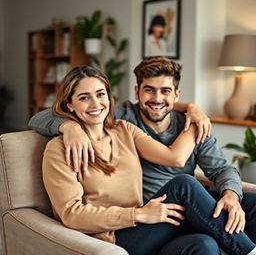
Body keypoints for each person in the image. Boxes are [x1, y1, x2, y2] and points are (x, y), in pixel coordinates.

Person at [29, 56, 256, 252]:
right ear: (137, 92)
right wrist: (69, 127)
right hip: (131, 225)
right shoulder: (120, 118)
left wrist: (193, 110)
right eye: (84, 97)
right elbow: (71, 213)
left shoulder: (124, 129)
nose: (96, 103)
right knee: (185, 184)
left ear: (176, 95)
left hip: (168, 215)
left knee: (210, 238)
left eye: (100, 95)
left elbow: (192, 162)